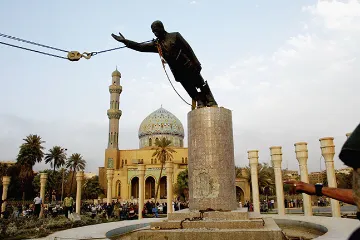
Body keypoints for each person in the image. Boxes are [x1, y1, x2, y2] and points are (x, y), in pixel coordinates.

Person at [111, 20, 217, 108]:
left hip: (188, 65)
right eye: (153, 32)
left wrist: (196, 62)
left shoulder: (175, 36)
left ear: (162, 28)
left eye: (156, 30)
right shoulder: (157, 45)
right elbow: (141, 47)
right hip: (178, 72)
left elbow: (188, 49)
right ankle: (200, 102)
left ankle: (211, 101)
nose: (155, 33)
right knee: (189, 88)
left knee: (200, 83)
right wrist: (125, 42)